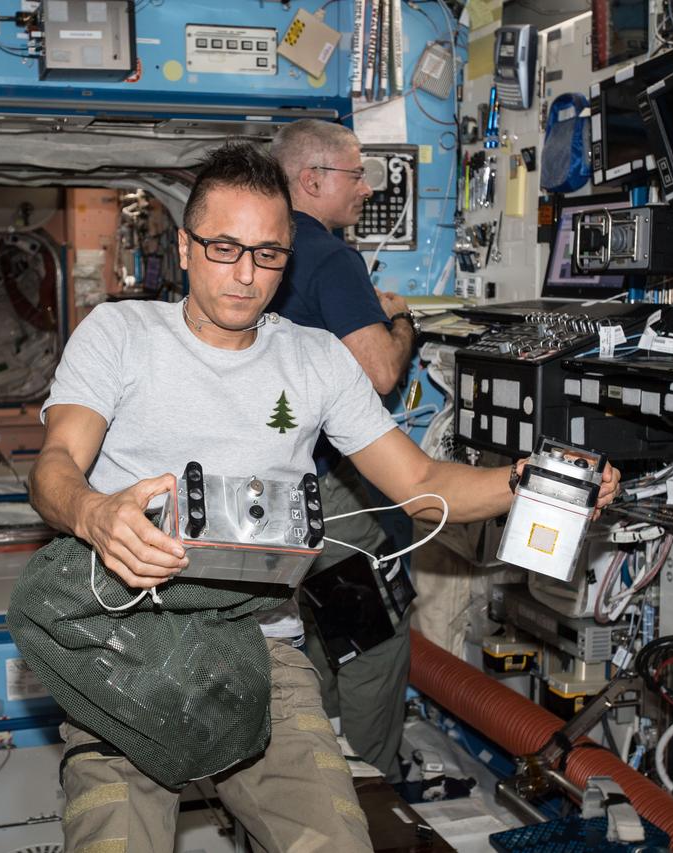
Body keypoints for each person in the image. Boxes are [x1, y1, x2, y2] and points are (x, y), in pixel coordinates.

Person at [7, 142, 619, 852]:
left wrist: (528, 480)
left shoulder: (315, 359)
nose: (245, 274)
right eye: (224, 247)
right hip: (126, 640)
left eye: (267, 254)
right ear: (184, 245)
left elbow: (420, 486)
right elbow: (54, 467)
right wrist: (96, 512)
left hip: (261, 646)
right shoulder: (120, 335)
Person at [269, 118, 418, 782]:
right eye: (356, 174)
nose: (365, 188)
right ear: (313, 179)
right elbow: (381, 371)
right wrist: (401, 319)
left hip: (279, 488)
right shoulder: (328, 256)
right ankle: (367, 794)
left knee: (320, 640)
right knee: (372, 642)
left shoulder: (266, 248)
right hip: (329, 492)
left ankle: (319, 778)